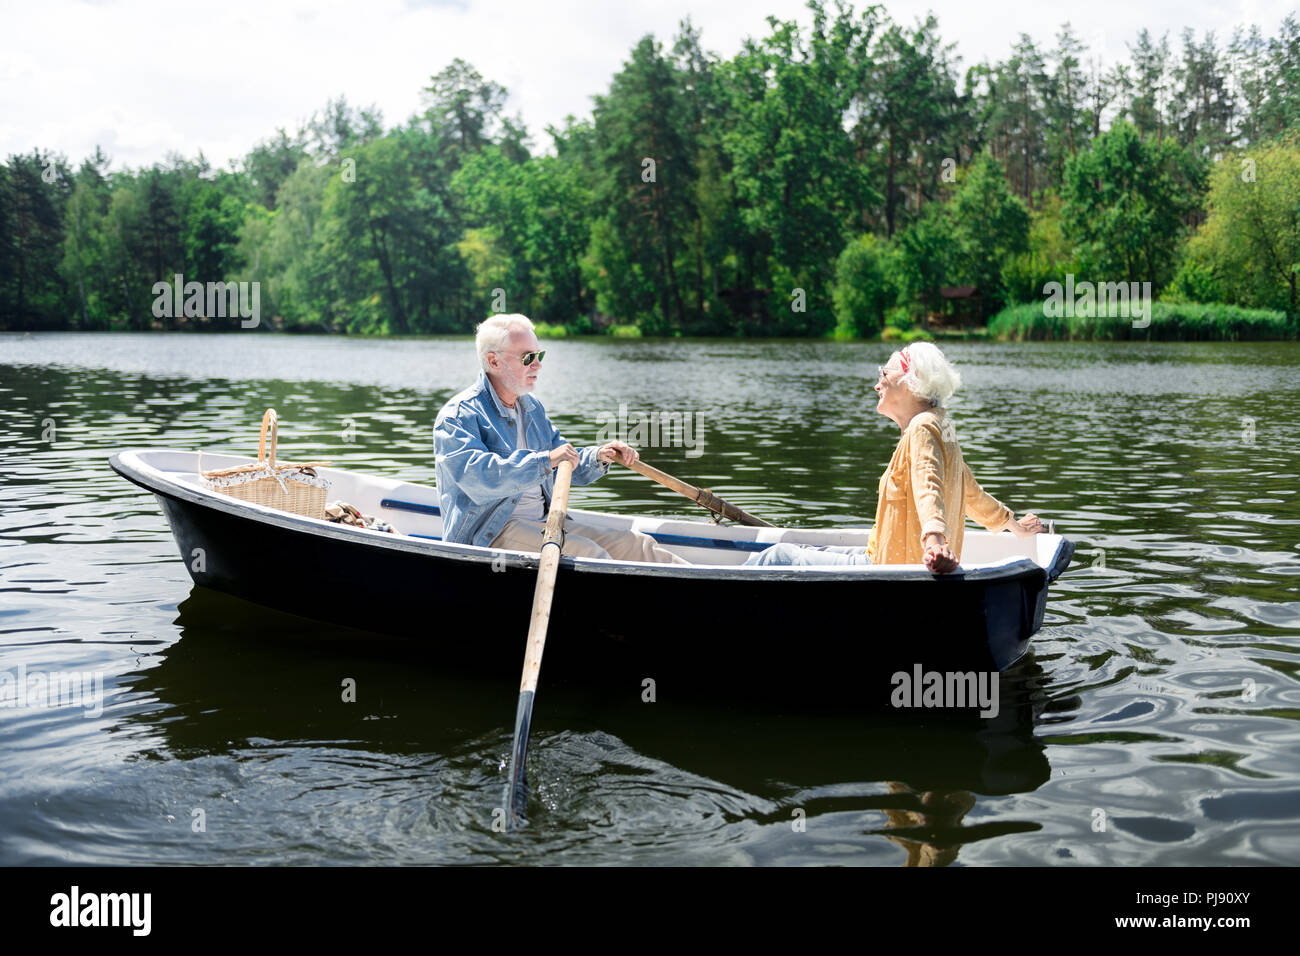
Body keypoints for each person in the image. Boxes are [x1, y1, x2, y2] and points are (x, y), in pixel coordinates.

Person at [745, 341, 1045, 573]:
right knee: (798, 548)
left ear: (909, 382)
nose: (877, 384)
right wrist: (1014, 525)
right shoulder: (941, 424)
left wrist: (935, 542)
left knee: (775, 556)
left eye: (884, 374)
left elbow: (929, 487)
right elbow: (969, 492)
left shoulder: (923, 428)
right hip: (882, 556)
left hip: (888, 568)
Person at [434, 314, 688, 564]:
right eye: (528, 358)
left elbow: (563, 463)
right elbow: (479, 478)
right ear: (494, 361)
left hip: (544, 523)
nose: (538, 365)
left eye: (539, 355)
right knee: (589, 554)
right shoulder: (457, 416)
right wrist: (545, 460)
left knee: (637, 545)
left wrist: (599, 456)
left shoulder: (532, 409)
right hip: (489, 534)